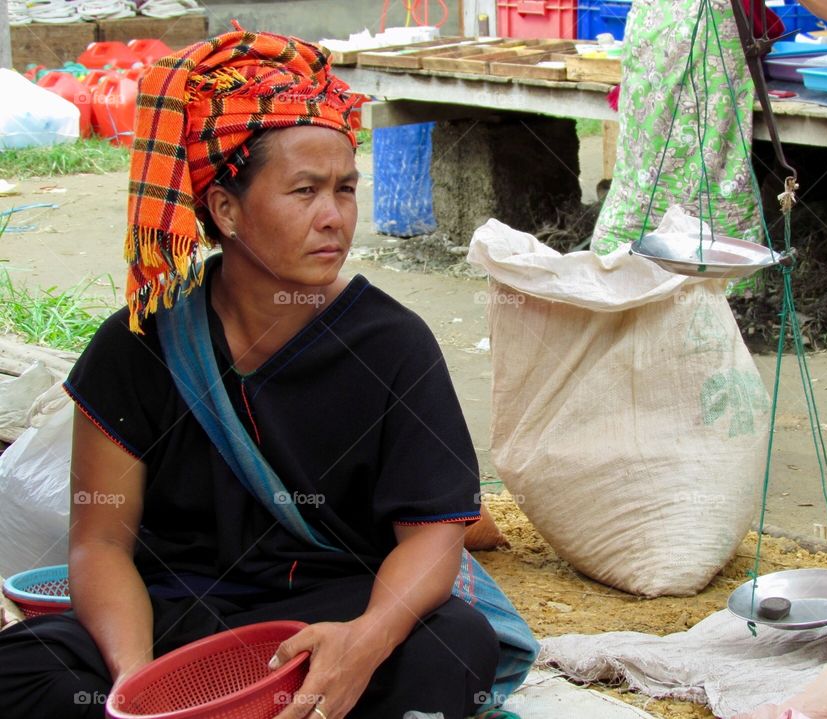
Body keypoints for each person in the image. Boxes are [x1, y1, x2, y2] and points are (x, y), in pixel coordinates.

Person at [0, 26, 536, 719]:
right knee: (21, 670)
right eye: (304, 190)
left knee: (452, 645)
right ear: (225, 209)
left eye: (345, 189)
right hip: (175, 616)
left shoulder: (393, 346)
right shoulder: (139, 346)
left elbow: (434, 537)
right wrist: (140, 684)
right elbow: (100, 541)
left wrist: (364, 641)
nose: (334, 218)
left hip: (323, 615)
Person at [590, 0, 827, 254]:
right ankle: (708, 267)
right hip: (703, 31)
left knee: (648, 154)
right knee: (707, 155)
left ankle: (624, 256)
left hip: (651, 23)